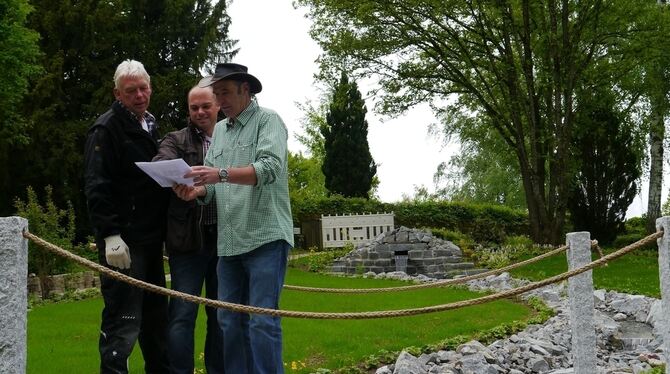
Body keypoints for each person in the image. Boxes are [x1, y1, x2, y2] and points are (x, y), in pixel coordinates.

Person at [173, 62, 294, 374]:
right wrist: (197, 191)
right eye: (217, 94)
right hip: (229, 244)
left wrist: (220, 174)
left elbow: (269, 169)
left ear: (246, 90)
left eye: (225, 93)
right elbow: (213, 190)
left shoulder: (269, 121)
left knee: (262, 321)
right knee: (228, 320)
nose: (220, 101)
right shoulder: (221, 132)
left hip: (266, 237)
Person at [84, 59, 170, 374]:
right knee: (123, 322)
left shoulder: (150, 125)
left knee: (156, 323)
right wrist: (110, 234)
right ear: (117, 94)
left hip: (150, 239)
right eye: (130, 90)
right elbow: (97, 185)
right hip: (124, 242)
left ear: (151, 87)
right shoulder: (106, 128)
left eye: (143, 88)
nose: (139, 95)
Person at [152, 85, 224, 373]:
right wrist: (180, 177)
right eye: (194, 108)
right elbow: (160, 162)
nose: (200, 112)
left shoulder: (232, 138)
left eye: (205, 106)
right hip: (187, 239)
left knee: (221, 314)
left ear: (217, 105)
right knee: (182, 314)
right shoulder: (176, 138)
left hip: (225, 237)